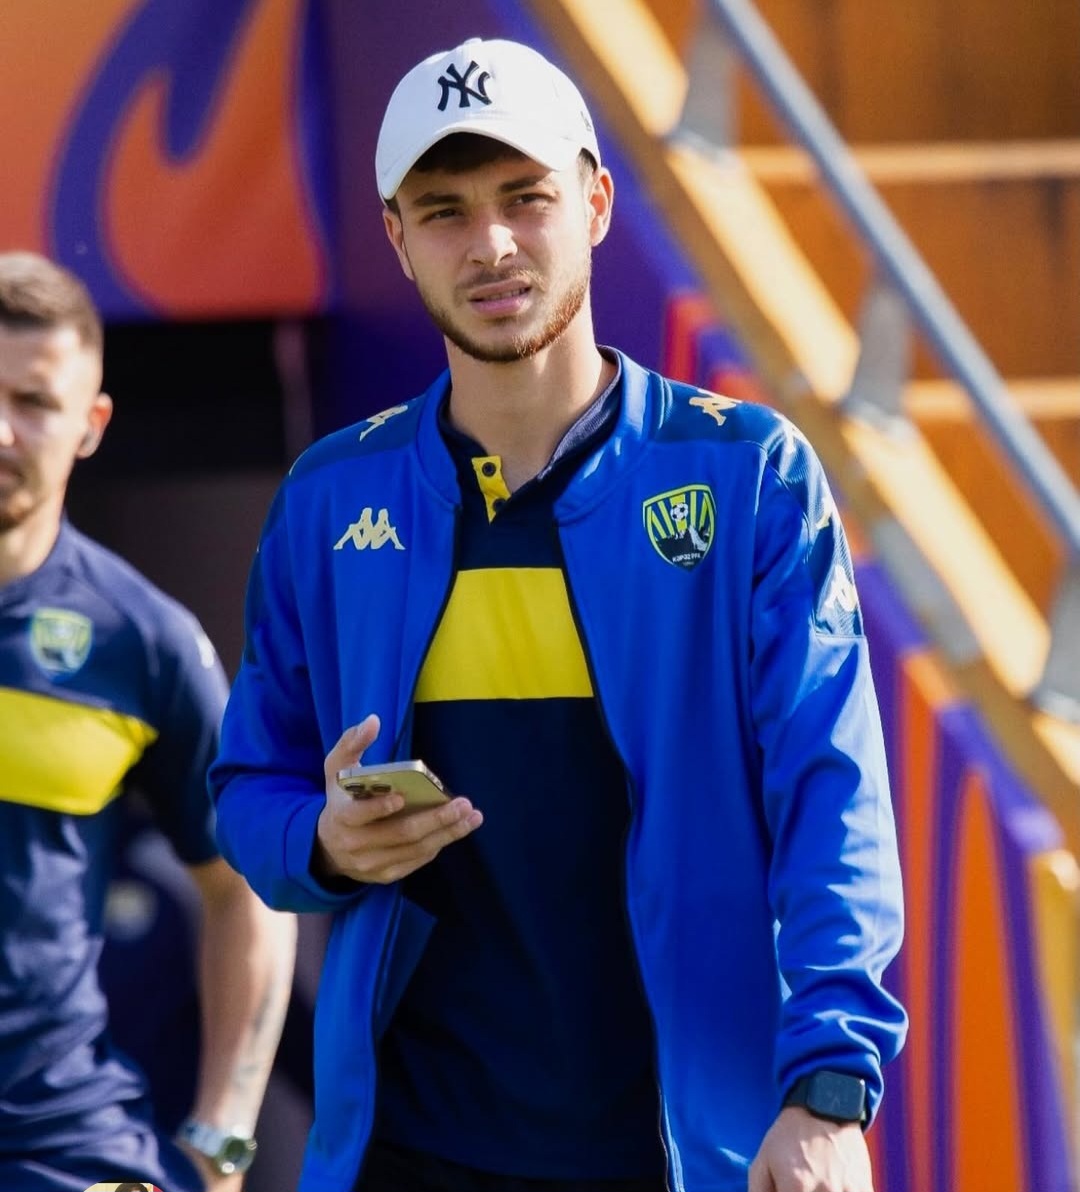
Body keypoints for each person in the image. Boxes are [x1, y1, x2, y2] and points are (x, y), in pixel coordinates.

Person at [209, 36, 907, 1192]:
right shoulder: (331, 497)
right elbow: (247, 783)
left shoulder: (748, 475)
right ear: (396, 238)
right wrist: (320, 839)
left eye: (524, 197)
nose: (490, 244)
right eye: (445, 211)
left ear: (595, 202)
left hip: (682, 1150)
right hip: (409, 1155)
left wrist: (830, 1087)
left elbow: (833, 798)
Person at [0, 251, 298, 1192]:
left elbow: (247, 885)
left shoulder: (142, 640)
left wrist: (222, 1140)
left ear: (91, 426)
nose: (1, 429)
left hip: (54, 1145)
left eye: (33, 402)